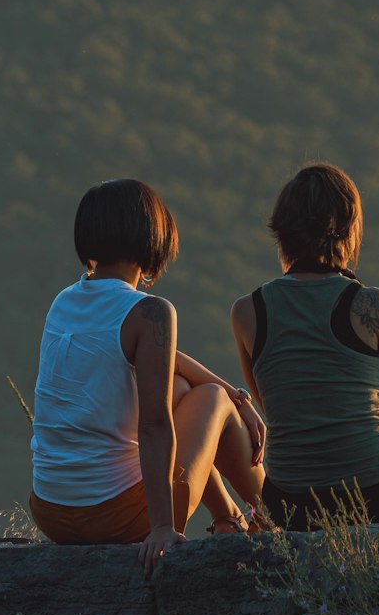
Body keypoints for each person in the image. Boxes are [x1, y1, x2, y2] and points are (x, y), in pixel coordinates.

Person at [30, 178, 266, 576]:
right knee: (209, 400)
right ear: (153, 240)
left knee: (181, 388)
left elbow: (165, 358)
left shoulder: (65, 301)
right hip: (115, 517)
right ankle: (281, 513)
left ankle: (229, 519)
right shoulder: (151, 311)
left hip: (51, 511)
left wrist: (235, 392)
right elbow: (155, 425)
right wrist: (161, 528)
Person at [230, 163, 379, 531]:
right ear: (348, 231)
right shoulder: (372, 304)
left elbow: (272, 404)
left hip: (291, 505)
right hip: (377, 498)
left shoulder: (246, 311)